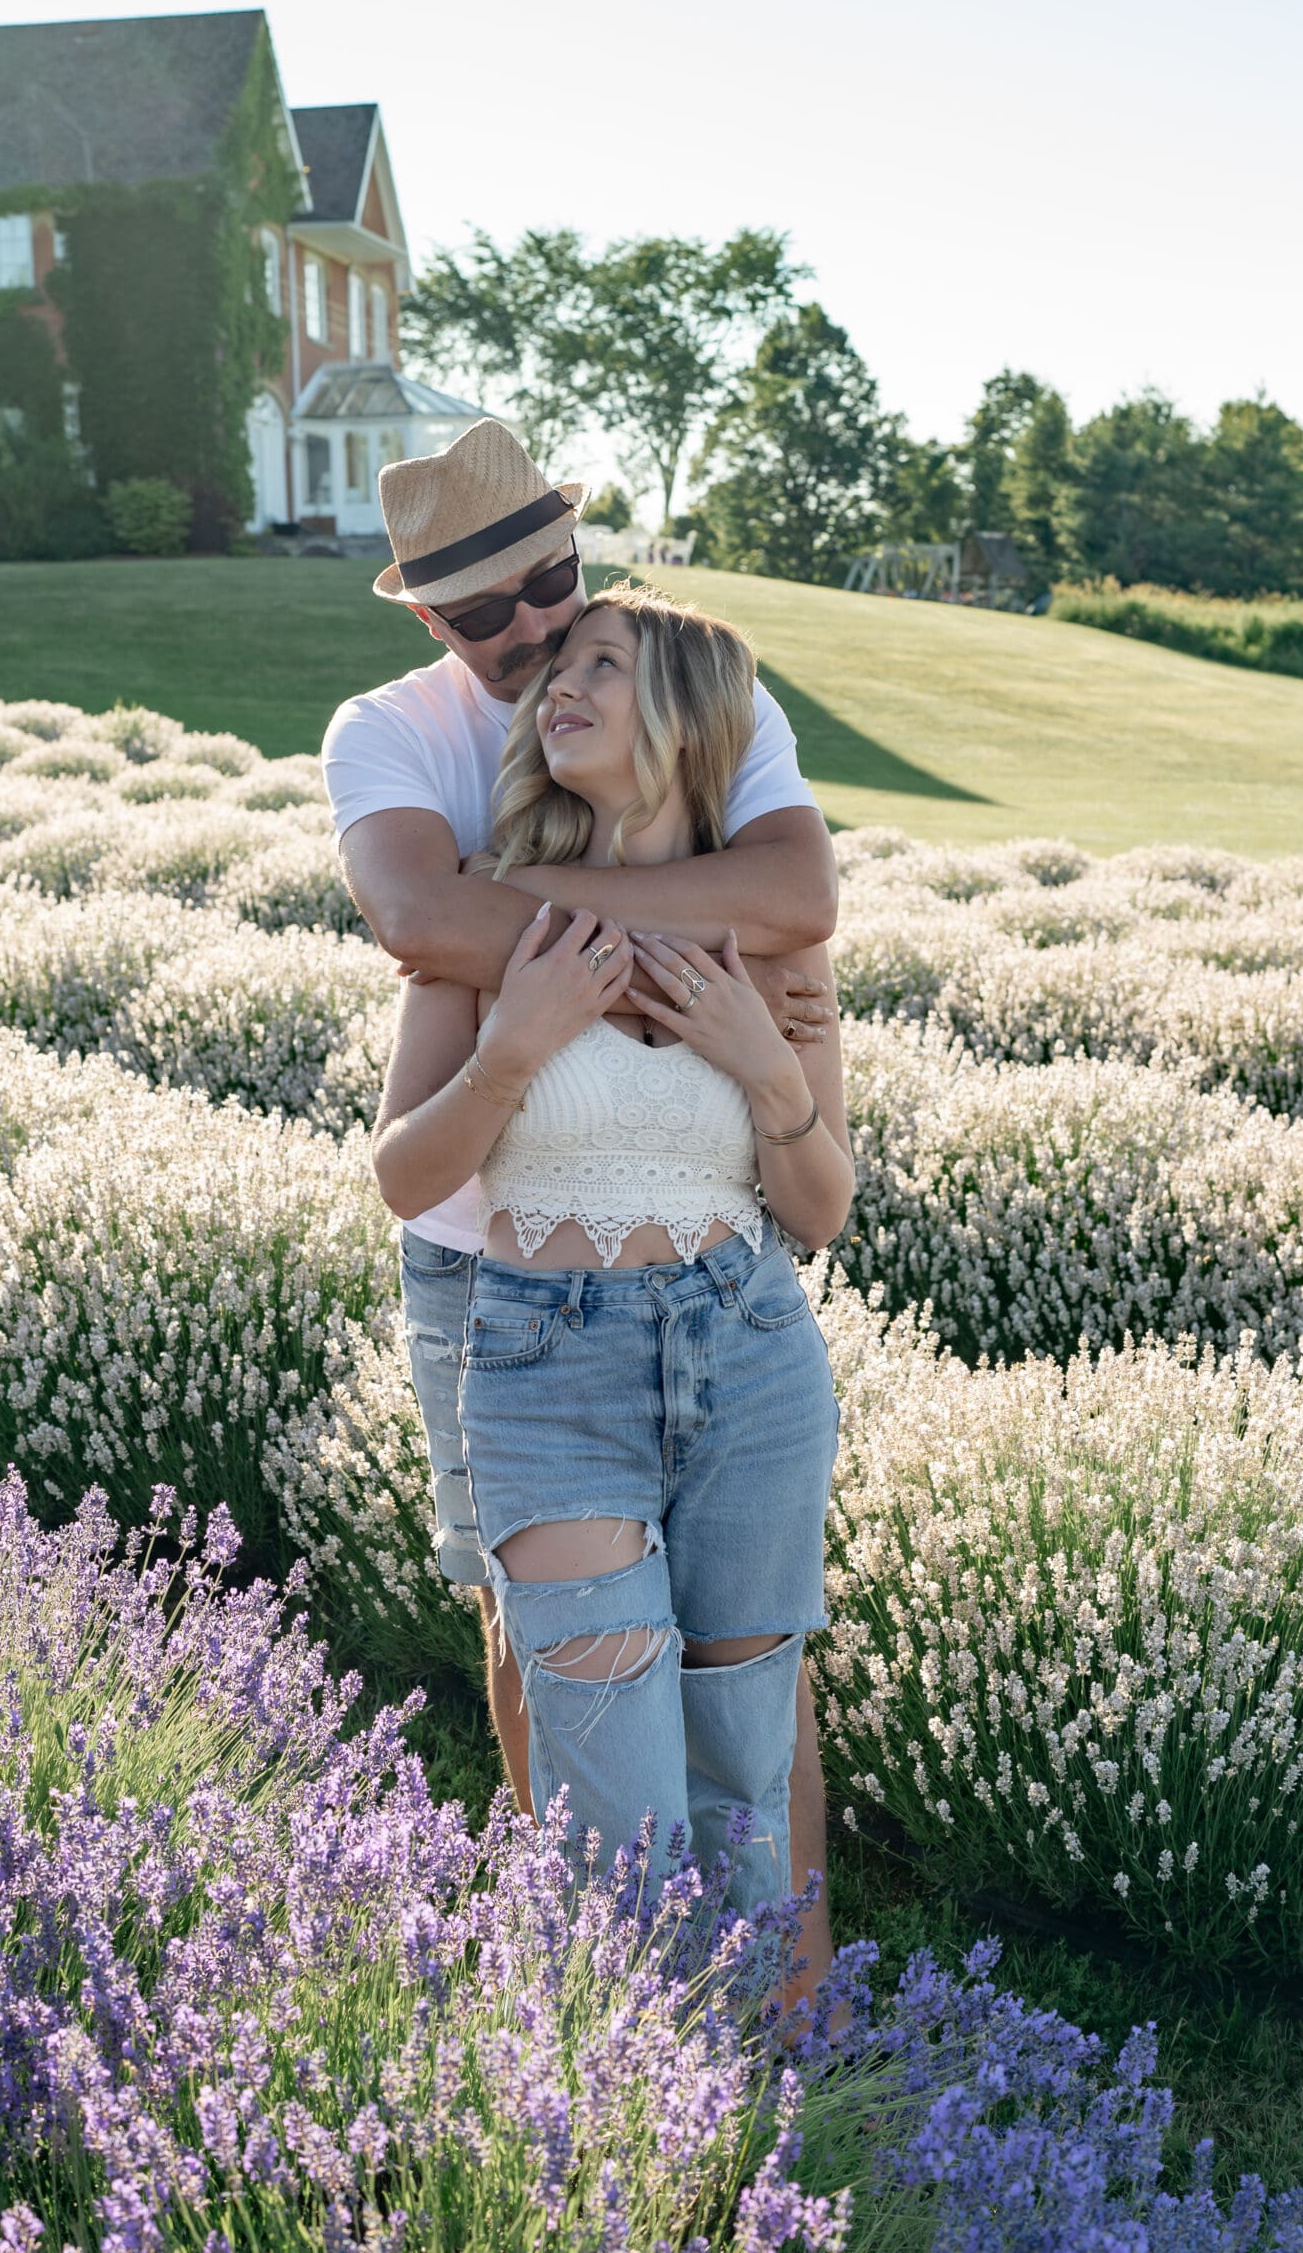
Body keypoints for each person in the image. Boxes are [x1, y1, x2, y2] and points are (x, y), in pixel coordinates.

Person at [321, 422, 840, 1948]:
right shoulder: (388, 729)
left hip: (716, 1283)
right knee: (536, 1630)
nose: (536, 630)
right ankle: (614, 1996)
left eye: (551, 583)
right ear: (430, 621)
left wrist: (540, 933)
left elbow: (798, 900)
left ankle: (788, 1999)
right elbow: (421, 918)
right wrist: (674, 968)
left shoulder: (694, 682)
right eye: (487, 614)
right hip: (492, 1269)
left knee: (746, 1680)